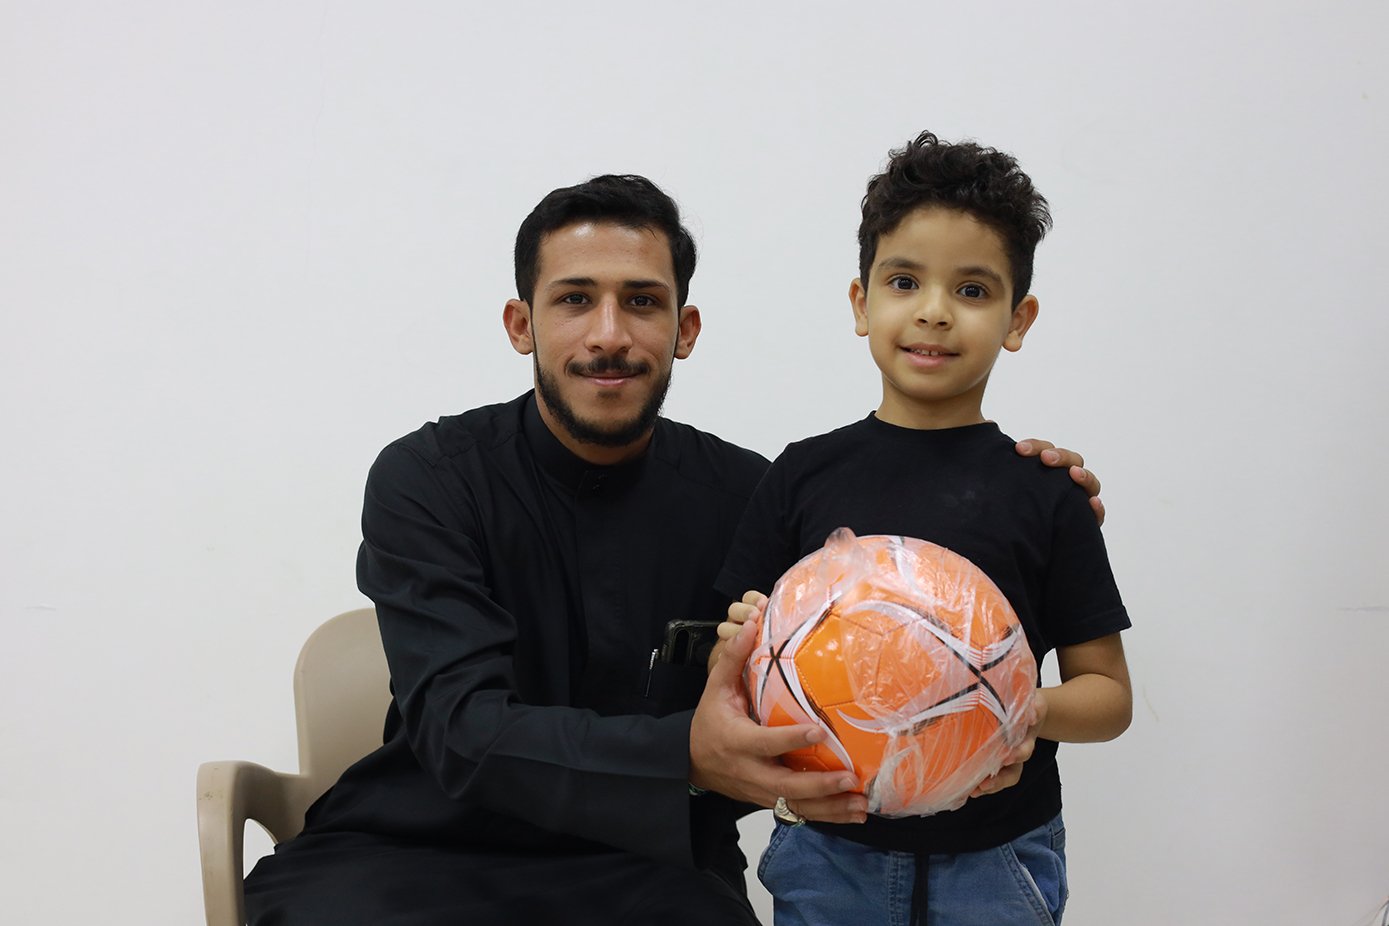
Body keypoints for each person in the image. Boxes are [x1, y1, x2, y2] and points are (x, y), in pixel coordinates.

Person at [242, 173, 1103, 924]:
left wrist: (1024, 492)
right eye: (573, 299)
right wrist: (685, 755)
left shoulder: (752, 493)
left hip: (651, 864)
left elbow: (886, 614)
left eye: (642, 302)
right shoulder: (426, 479)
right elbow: (458, 728)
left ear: (684, 329)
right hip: (411, 853)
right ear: (520, 322)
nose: (608, 334)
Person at [714, 131, 1133, 926]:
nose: (934, 311)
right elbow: (731, 660)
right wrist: (740, 646)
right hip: (829, 850)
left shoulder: (1045, 490)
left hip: (998, 856)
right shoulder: (801, 474)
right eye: (904, 281)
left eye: (971, 289)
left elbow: (1108, 696)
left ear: (1017, 319)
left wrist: (1019, 708)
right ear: (861, 302)